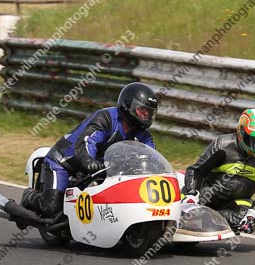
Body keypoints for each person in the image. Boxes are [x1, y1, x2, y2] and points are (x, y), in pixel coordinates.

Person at [22, 82, 159, 218]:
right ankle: (29, 197)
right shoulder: (107, 118)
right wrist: (88, 159)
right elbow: (88, 141)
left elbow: (150, 156)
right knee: (51, 208)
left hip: (99, 172)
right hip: (64, 163)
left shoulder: (143, 136)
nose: (145, 115)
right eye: (142, 110)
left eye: (149, 112)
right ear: (128, 105)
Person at [182, 107, 255, 234]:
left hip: (235, 203)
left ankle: (211, 221)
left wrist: (253, 214)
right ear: (241, 133)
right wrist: (192, 194)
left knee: (245, 217)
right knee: (186, 209)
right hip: (206, 195)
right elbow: (196, 171)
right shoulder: (223, 145)